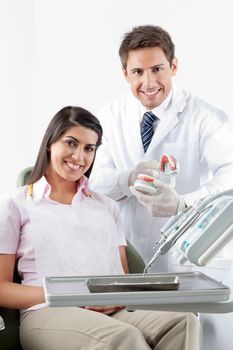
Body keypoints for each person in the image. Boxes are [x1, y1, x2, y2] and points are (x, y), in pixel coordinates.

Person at [0, 106, 201, 350]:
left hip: (110, 310)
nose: (79, 156)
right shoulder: (16, 204)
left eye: (89, 148)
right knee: (123, 337)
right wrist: (70, 294)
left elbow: (121, 277)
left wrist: (116, 299)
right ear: (51, 142)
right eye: (71, 143)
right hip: (47, 312)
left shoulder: (106, 207)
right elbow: (2, 289)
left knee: (185, 322)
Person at [90, 25, 233, 271]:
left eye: (157, 69)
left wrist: (185, 205)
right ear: (125, 74)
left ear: (173, 66)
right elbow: (95, 183)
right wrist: (128, 179)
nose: (148, 82)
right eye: (137, 71)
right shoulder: (110, 115)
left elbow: (229, 175)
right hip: (124, 252)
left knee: (184, 310)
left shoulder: (206, 117)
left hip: (183, 252)